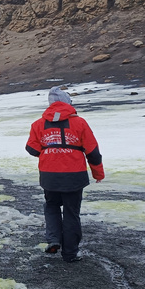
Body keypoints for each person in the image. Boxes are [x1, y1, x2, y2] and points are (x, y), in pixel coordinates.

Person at [25, 86, 104, 263]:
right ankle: (70, 253)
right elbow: (93, 152)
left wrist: (49, 151)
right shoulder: (80, 123)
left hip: (49, 175)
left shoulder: (38, 124)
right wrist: (98, 174)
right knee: (71, 212)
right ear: (68, 103)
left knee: (52, 206)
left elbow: (31, 148)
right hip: (74, 175)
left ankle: (53, 239)